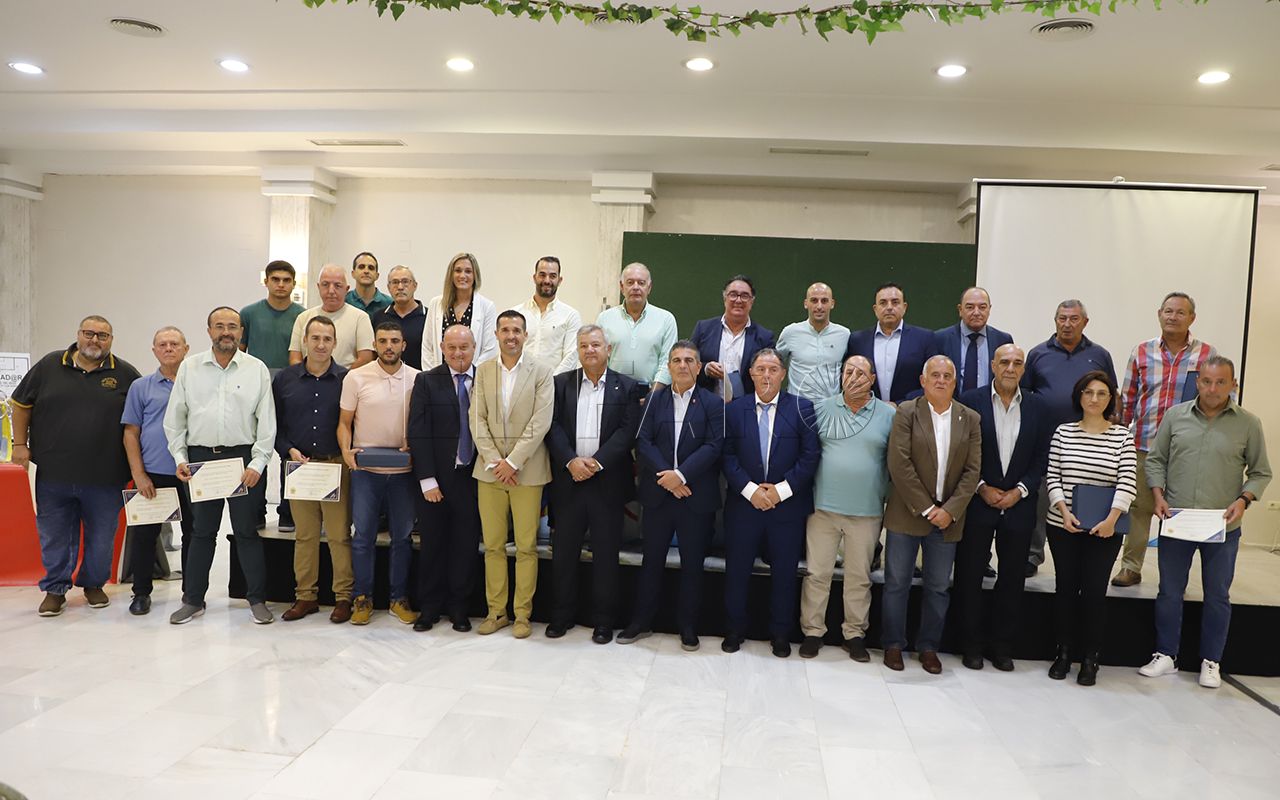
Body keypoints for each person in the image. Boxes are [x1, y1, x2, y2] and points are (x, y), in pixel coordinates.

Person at [1138, 357, 1271, 688]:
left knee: (1217, 594)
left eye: (1221, 383)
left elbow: (1260, 472)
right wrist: (1157, 495)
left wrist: (1243, 501)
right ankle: (1165, 655)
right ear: (1197, 383)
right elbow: (1156, 460)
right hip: (1177, 521)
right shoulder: (1175, 416)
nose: (1213, 389)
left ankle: (1211, 661)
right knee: (1169, 591)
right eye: (1207, 382)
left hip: (1222, 526)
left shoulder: (1248, 424)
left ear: (1233, 385)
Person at [11, 315, 141, 617]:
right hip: (53, 474)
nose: (95, 340)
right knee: (54, 535)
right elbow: (20, 403)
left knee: (101, 537)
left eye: (103, 336)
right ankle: (55, 589)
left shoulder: (125, 374)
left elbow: (139, 419)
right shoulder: (49, 365)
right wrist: (19, 444)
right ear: (78, 335)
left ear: (111, 340)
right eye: (89, 333)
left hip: (106, 476)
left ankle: (94, 585)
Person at [164, 307, 277, 625]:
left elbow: (266, 422)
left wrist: (258, 463)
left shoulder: (256, 369)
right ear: (209, 330)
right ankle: (193, 600)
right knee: (201, 532)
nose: (226, 332)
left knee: (246, 532)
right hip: (201, 460)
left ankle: (256, 599)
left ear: (241, 331)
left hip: (243, 460)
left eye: (232, 326)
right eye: (219, 326)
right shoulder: (190, 367)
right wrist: (181, 458)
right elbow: (175, 419)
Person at [617, 341, 724, 652]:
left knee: (693, 566)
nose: (682, 365)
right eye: (676, 360)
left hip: (696, 496)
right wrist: (668, 476)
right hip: (659, 495)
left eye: (689, 360)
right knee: (651, 563)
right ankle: (641, 621)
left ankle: (688, 626)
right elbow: (643, 440)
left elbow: (714, 446)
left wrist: (682, 475)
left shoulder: (712, 404)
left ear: (699, 366)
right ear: (669, 365)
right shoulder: (654, 399)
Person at [880, 355, 982, 674]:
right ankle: (894, 644)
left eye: (947, 376)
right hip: (907, 514)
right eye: (934, 375)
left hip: (948, 520)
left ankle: (928, 647)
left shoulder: (971, 418)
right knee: (897, 583)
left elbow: (972, 471)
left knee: (938, 587)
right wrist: (926, 507)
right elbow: (899, 464)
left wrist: (948, 511)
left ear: (955, 382)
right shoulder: (907, 412)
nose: (940, 380)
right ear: (923, 381)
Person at [955, 344, 1053, 670]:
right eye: (1004, 362)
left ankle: (1002, 646)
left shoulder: (1039, 407)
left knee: (1012, 579)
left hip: (1020, 504)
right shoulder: (971, 401)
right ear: (993, 366)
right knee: (970, 576)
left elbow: (1042, 456)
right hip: (979, 500)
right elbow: (963, 451)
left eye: (1017, 363)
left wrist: (1021, 490)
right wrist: (982, 486)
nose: (1010, 368)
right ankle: (969, 644)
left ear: (1023, 369)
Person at [545, 325, 642, 643]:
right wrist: (571, 461)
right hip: (569, 481)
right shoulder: (561, 384)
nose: (590, 350)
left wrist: (597, 462)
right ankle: (561, 616)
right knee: (564, 555)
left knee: (605, 556)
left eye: (596, 344)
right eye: (584, 345)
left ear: (608, 349)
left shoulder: (626, 387)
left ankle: (603, 621)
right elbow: (553, 427)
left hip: (607, 484)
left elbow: (627, 432)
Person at [1112, 291, 1216, 588]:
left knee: (1178, 512)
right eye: (1168, 311)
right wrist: (1121, 436)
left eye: (1180, 312)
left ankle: (1174, 576)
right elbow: (1128, 399)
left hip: (1187, 451)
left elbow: (1221, 399)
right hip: (1144, 445)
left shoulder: (1207, 355)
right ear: (1159, 314)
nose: (1173, 317)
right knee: (1139, 509)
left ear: (1191, 318)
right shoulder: (1142, 352)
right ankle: (1131, 567)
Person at [720, 349, 820, 658]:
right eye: (760, 369)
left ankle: (780, 633)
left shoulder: (803, 408)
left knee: (784, 575)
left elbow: (810, 456)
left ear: (783, 374)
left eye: (773, 369)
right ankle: (734, 630)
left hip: (786, 509)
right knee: (737, 572)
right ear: (750, 374)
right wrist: (752, 491)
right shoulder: (734, 410)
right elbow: (727, 456)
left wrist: (780, 491)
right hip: (743, 506)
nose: (766, 375)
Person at [1044, 370, 1137, 686]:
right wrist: (1064, 511)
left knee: (1094, 594)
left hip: (1106, 530)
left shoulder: (1122, 436)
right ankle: (1063, 652)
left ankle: (1090, 658)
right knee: (1065, 590)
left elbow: (1127, 482)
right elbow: (1052, 476)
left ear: (1111, 399)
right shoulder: (1063, 433)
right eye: (1088, 392)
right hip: (1063, 526)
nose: (1094, 398)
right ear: (1079, 396)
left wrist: (1111, 519)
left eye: (1101, 393)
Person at [798, 355, 892, 663]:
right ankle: (813, 632)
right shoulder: (822, 408)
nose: (853, 377)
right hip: (823, 508)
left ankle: (854, 634)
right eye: (848, 371)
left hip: (866, 511)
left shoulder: (887, 415)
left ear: (872, 379)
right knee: (817, 573)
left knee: (859, 576)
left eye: (860, 373)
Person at [471, 310, 554, 639]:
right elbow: (476, 419)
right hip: (490, 473)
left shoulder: (541, 372)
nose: (511, 336)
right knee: (492, 546)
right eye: (505, 330)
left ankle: (522, 615)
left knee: (525, 547)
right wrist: (495, 461)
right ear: (496, 334)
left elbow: (541, 421)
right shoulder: (484, 371)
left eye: (517, 330)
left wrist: (514, 462)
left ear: (526, 335)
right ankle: (496, 612)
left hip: (527, 472)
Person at [1021, 299, 1117, 577]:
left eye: (1074, 319)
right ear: (1055, 321)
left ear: (1085, 322)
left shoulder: (1100, 354)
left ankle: (1085, 547)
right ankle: (1032, 555)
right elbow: (1027, 396)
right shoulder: (1038, 353)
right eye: (1062, 318)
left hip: (1089, 441)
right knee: (1041, 499)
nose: (1067, 324)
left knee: (1083, 496)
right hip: (1046, 439)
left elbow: (1110, 392)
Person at [272, 315, 353, 624]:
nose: (321, 344)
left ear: (335, 343)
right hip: (299, 468)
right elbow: (274, 425)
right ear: (305, 341)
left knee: (338, 536)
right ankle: (305, 597)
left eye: (327, 339)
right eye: (315, 338)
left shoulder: (347, 379)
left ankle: (343, 597)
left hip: (335, 466)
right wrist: (288, 449)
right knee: (305, 536)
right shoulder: (284, 379)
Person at [338, 320, 420, 626]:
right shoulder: (356, 378)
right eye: (383, 341)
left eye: (394, 341)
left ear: (403, 345)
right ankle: (363, 598)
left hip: (403, 472)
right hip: (366, 471)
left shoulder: (416, 378)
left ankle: (399, 598)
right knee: (362, 537)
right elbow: (344, 422)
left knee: (402, 538)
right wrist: (347, 452)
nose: (389, 346)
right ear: (375, 344)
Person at [407, 324, 483, 633]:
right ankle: (429, 607)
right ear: (441, 347)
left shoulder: (485, 379)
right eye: (451, 347)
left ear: (474, 347)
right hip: (435, 480)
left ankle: (459, 608)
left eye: (464, 347)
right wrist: (427, 479)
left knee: (465, 546)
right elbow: (418, 431)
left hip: (472, 478)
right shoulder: (426, 381)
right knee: (433, 544)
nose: (458, 353)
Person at [121, 326, 193, 616]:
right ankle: (140, 593)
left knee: (194, 534)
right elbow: (130, 433)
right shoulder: (141, 387)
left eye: (174, 344)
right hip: (154, 474)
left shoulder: (195, 383)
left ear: (186, 349)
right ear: (154, 351)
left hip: (189, 473)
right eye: (162, 344)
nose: (168, 348)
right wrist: (139, 475)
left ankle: (193, 593)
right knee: (145, 536)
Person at [241, 260, 306, 532]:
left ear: (293, 283)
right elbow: (239, 354)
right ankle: (256, 510)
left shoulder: (303, 315)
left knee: (290, 447)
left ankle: (288, 511)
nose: (281, 285)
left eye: (286, 280)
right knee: (258, 449)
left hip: (290, 391)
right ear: (266, 281)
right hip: (256, 391)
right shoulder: (249, 313)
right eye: (275, 279)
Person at [844, 282, 938, 404]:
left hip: (910, 413)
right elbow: (850, 379)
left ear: (904, 307)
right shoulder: (857, 340)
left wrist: (900, 404)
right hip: (867, 413)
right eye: (883, 303)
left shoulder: (925, 338)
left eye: (895, 302)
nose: (889, 307)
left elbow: (932, 381)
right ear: (875, 309)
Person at [690, 275, 776, 401]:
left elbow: (770, 374)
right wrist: (706, 368)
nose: (738, 300)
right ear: (725, 298)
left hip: (745, 408)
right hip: (705, 405)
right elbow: (687, 363)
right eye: (733, 294)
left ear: (752, 301)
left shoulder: (764, 337)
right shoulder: (703, 329)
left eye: (745, 296)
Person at [595, 262, 678, 390]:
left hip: (652, 395)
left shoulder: (666, 319)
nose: (635, 287)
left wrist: (652, 395)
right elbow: (599, 360)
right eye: (630, 282)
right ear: (621, 287)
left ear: (649, 287)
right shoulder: (605, 318)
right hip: (613, 394)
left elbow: (667, 362)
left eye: (641, 283)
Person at [776, 282, 851, 403]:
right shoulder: (790, 333)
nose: (819, 306)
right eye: (814, 300)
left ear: (832, 304)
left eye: (824, 301)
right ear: (806, 303)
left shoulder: (844, 335)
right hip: (796, 410)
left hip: (830, 410)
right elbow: (775, 366)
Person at [289, 265, 375, 369]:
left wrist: (341, 379)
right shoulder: (303, 318)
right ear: (318, 286)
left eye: (337, 285)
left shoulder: (361, 318)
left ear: (346, 289)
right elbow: (295, 358)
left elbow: (365, 359)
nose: (331, 291)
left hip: (347, 382)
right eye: (325, 285)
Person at [422, 252, 498, 370]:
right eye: (458, 271)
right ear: (451, 275)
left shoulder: (487, 306)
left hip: (472, 380)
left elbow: (489, 349)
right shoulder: (436, 303)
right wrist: (433, 377)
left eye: (468, 271)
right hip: (440, 379)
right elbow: (427, 347)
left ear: (475, 275)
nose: (462, 276)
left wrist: (470, 376)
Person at [934, 287, 1013, 395]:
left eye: (982, 307)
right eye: (970, 307)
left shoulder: (1002, 340)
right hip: (951, 407)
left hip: (988, 407)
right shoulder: (940, 338)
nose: (976, 312)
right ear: (960, 310)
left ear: (989, 309)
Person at [516, 256, 582, 375]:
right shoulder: (517, 314)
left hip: (556, 386)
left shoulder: (571, 315)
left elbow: (571, 356)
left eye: (552, 276)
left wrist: (550, 383)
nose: (547, 280)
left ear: (560, 280)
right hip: (520, 385)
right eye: (542, 275)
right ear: (534, 278)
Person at [372, 265, 427, 370]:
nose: (400, 287)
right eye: (395, 282)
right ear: (388, 287)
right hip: (385, 380)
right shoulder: (378, 317)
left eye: (405, 282)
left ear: (415, 286)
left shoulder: (428, 317)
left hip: (420, 381)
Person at [345, 251, 393, 317]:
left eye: (371, 268)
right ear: (353, 274)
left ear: (377, 275)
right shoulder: (345, 300)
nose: (366, 271)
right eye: (361, 267)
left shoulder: (389, 303)